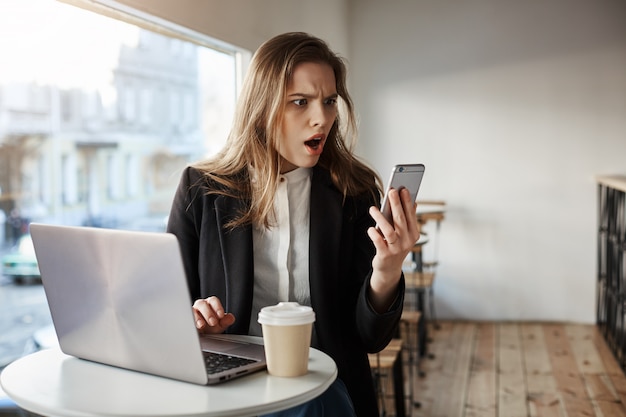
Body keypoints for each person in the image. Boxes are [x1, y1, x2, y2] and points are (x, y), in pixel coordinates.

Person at [167, 32, 420, 417]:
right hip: (229, 391)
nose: (322, 118)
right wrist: (196, 320)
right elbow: (168, 311)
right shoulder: (201, 190)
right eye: (300, 102)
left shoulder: (354, 190)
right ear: (262, 106)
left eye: (329, 101)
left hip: (324, 388)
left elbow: (369, 339)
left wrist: (387, 271)